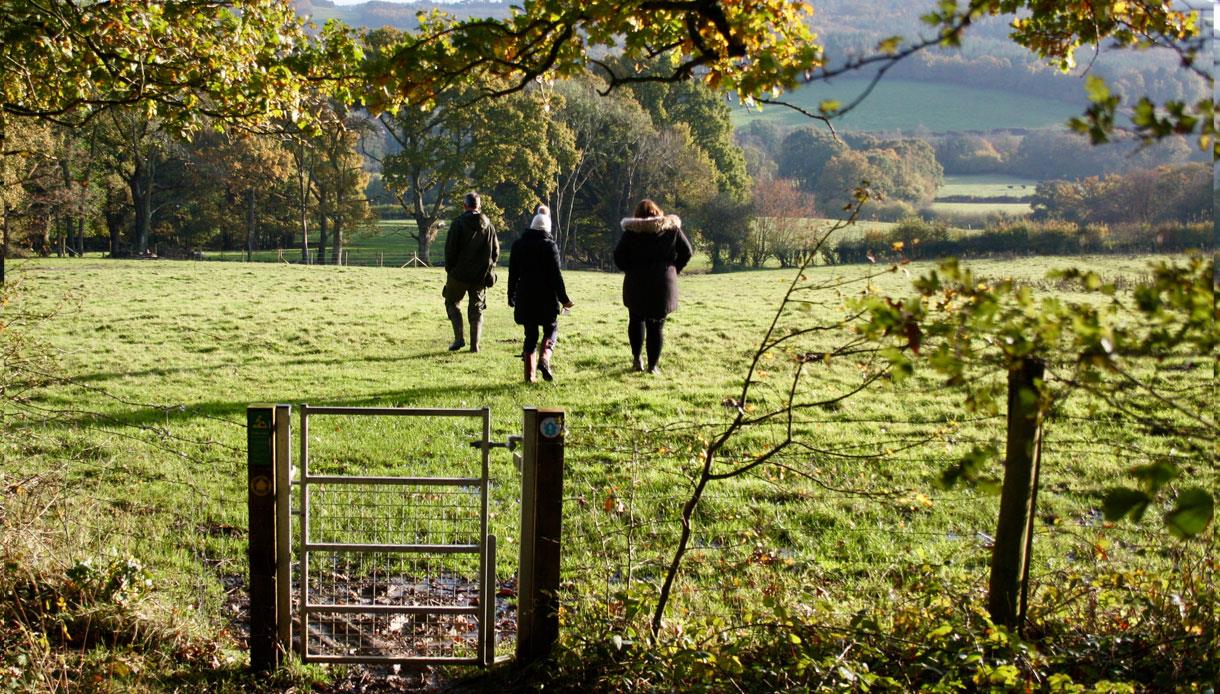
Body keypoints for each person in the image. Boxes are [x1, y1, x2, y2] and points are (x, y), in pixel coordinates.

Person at [613, 198, 692, 375]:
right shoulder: (672, 230)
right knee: (656, 326)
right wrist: (673, 269)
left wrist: (629, 269)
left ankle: (636, 359)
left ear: (638, 216)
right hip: (663, 284)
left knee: (636, 320)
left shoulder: (631, 232)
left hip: (636, 283)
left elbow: (618, 256)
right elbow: (687, 251)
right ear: (658, 212)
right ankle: (653, 366)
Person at [508, 205, 573, 383]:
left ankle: (530, 377)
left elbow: (512, 273)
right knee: (551, 328)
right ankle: (544, 359)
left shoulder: (518, 245)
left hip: (525, 296)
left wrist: (510, 295)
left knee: (530, 334)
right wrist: (565, 300)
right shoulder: (549, 246)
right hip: (546, 298)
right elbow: (555, 276)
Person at [442, 192, 499, 352]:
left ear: (465, 206)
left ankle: (459, 339)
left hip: (459, 274)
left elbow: (450, 250)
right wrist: (489, 269)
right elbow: (495, 251)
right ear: (479, 206)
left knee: (451, 302)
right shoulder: (489, 226)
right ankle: (475, 346)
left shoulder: (458, 224)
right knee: (477, 308)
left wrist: (450, 269)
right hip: (480, 276)